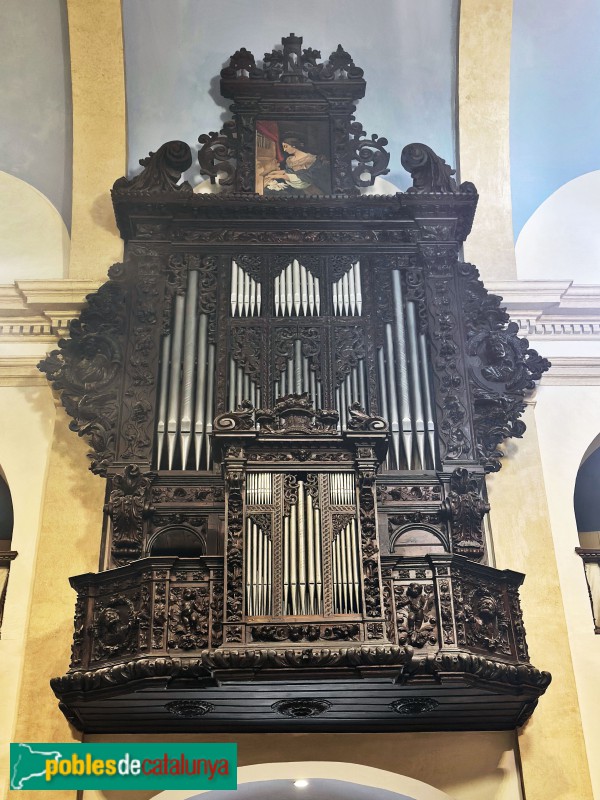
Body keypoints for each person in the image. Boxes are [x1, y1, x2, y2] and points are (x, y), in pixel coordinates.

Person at [263, 137, 330, 195]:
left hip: (306, 185)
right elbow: (290, 171)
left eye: (286, 146)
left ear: (294, 146)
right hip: (294, 187)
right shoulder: (289, 159)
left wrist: (279, 176)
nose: (284, 150)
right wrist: (276, 172)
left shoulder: (310, 158)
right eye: (283, 147)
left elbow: (306, 176)